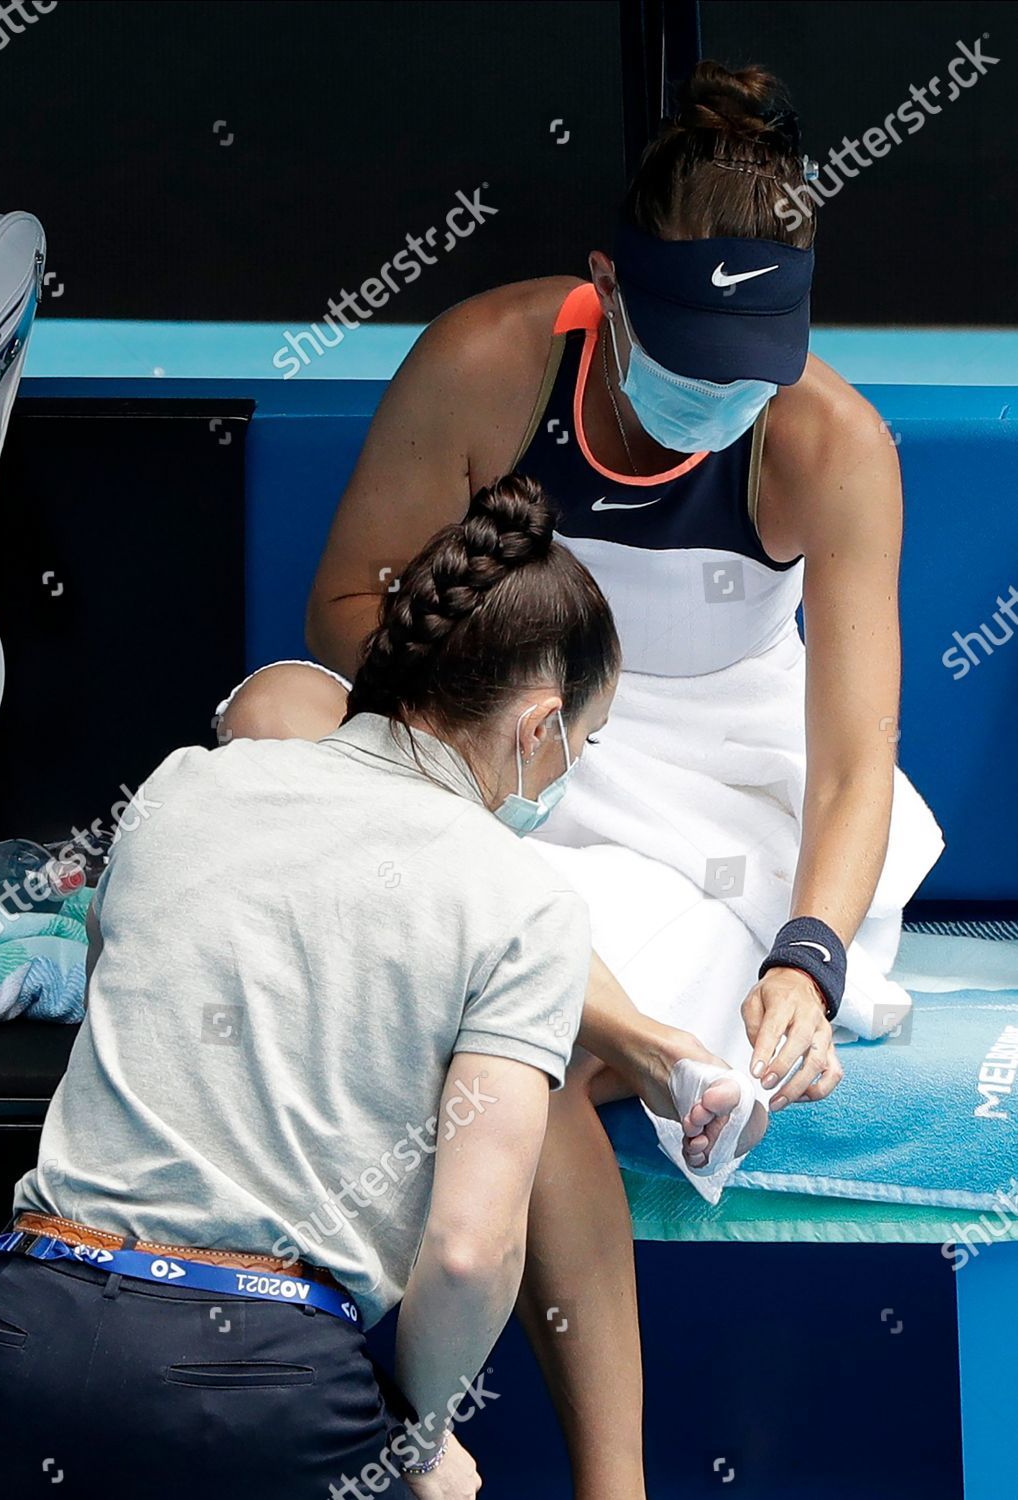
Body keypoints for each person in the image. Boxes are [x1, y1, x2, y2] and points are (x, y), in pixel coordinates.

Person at [214, 60, 944, 1500]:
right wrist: (482, 744)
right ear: (603, 292)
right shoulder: (485, 361)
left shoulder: (836, 445)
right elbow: (345, 613)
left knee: (516, 1041)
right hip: (492, 749)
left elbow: (855, 762)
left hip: (713, 811)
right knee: (277, 717)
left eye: (752, 371)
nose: (718, 401)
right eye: (690, 361)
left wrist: (803, 961)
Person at [0, 477, 738, 1499]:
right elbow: (469, 1254)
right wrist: (420, 1438)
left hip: (9, 1347)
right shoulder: (523, 901)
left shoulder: (180, 786)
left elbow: (120, 1016)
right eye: (588, 740)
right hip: (258, 1394)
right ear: (541, 726)